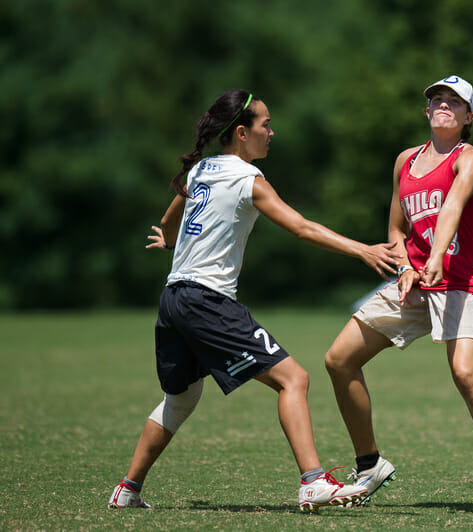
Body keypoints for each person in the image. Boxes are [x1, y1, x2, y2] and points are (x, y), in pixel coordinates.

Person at [107, 89, 403, 512]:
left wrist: (170, 239)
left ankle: (127, 489)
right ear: (242, 133)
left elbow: (172, 215)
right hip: (206, 301)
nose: (272, 132)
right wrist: (363, 250)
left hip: (173, 298)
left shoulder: (202, 170)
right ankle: (314, 482)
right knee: (294, 379)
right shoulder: (247, 179)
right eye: (265, 125)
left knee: (182, 400)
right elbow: (301, 227)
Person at [324, 76, 473, 517]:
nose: (443, 105)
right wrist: (406, 268)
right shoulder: (405, 160)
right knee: (339, 359)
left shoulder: (469, 158)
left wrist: (436, 256)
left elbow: (454, 205)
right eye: (437, 99)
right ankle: (370, 464)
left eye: (455, 102)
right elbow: (397, 230)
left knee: (464, 373)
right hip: (414, 282)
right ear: (427, 111)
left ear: (468, 117)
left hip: (460, 280)